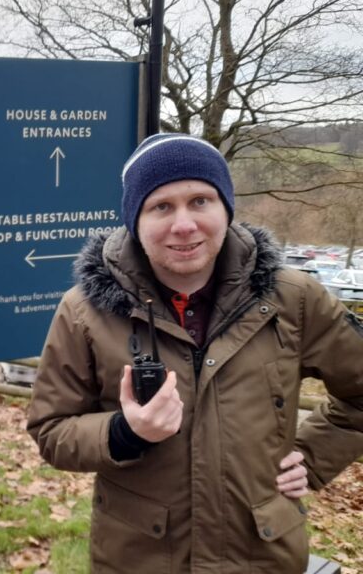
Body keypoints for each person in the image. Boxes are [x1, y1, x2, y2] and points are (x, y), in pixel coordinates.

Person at [27, 133, 363, 573]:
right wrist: (124, 432)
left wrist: (314, 457)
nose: (183, 224)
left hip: (260, 555)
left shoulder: (293, 299)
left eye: (201, 201)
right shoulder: (85, 311)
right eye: (161, 206)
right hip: (139, 557)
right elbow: (51, 430)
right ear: (134, 219)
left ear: (226, 207)